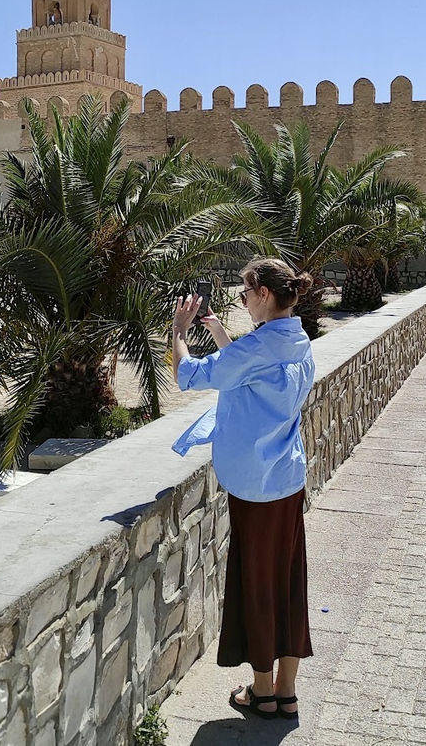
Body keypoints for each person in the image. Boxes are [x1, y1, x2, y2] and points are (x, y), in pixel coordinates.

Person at [171, 257, 315, 720]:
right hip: (288, 480)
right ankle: (286, 691)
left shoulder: (257, 349)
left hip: (254, 487)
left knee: (255, 581)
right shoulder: (297, 341)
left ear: (264, 295)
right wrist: (218, 331)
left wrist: (178, 331)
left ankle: (261, 692)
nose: (243, 301)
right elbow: (249, 366)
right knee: (288, 580)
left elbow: (190, 375)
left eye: (245, 294)